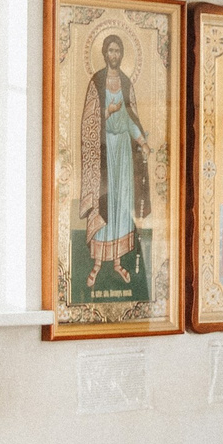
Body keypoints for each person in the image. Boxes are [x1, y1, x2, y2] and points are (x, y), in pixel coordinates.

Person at [79, 31, 150, 291]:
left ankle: (118, 261)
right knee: (104, 203)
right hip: (104, 153)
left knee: (121, 206)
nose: (114, 55)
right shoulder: (96, 81)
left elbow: (131, 119)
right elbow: (89, 121)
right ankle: (97, 263)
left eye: (117, 51)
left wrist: (141, 142)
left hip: (124, 154)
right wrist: (106, 113)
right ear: (104, 53)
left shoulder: (126, 82)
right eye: (110, 50)